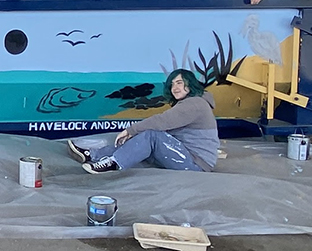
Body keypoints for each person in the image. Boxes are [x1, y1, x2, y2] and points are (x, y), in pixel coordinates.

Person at [70, 69, 218, 174]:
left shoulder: (195, 104)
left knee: (151, 135)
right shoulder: (193, 103)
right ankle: (93, 155)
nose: (175, 88)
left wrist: (130, 130)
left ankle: (114, 163)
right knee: (142, 141)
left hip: (196, 164)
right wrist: (135, 133)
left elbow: (162, 121)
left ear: (190, 84)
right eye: (172, 84)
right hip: (185, 155)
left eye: (179, 83)